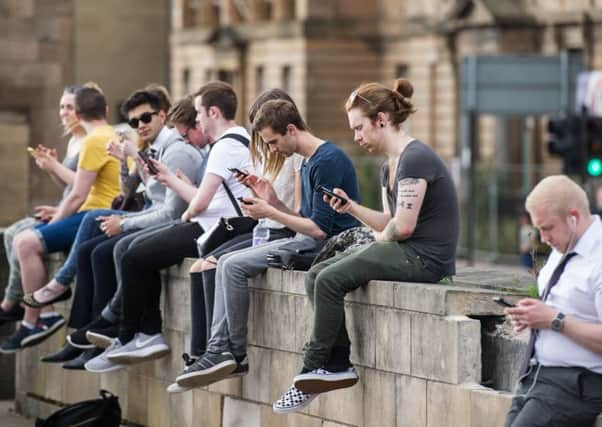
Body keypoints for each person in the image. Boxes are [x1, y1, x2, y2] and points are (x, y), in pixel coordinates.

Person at [272, 79, 460, 414]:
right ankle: (338, 362)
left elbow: (402, 227)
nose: (357, 137)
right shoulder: (391, 164)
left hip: (426, 259)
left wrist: (374, 240)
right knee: (315, 275)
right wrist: (352, 208)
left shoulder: (415, 158)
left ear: (382, 120)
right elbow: (390, 218)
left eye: (359, 128)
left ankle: (312, 366)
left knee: (330, 279)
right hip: (406, 251)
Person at [171, 97, 361, 391]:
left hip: (328, 246)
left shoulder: (327, 160)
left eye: (273, 142)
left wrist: (270, 211)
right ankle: (223, 350)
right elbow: (303, 219)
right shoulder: (313, 161)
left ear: (291, 130)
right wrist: (272, 201)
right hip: (308, 240)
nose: (272, 150)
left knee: (232, 265)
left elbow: (320, 231)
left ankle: (229, 352)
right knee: (225, 264)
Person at [86, 81, 254, 371]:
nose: (197, 119)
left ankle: (136, 334)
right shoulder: (230, 143)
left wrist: (185, 212)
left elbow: (198, 204)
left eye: (199, 113)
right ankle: (138, 334)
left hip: (215, 228)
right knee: (134, 251)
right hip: (213, 223)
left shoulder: (225, 147)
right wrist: (172, 181)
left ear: (213, 112)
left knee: (135, 254)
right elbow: (204, 196)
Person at [37, 91, 204, 368]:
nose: (140, 125)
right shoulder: (154, 146)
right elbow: (135, 190)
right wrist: (127, 160)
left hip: (184, 224)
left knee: (121, 248)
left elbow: (170, 211)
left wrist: (125, 223)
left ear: (163, 115)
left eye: (146, 118)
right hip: (163, 217)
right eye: (135, 121)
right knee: (96, 250)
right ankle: (92, 333)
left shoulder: (177, 150)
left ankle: (117, 328)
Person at [166, 88, 303, 393]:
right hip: (262, 229)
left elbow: (296, 214)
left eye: (267, 134)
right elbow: (266, 211)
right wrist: (255, 196)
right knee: (201, 265)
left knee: (221, 263)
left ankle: (223, 351)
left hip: (281, 234)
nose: (265, 142)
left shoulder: (295, 158)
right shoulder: (270, 157)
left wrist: (266, 204)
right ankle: (202, 354)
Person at [0, 86, 121, 352]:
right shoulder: (107, 135)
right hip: (93, 211)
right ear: (107, 111)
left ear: (78, 114)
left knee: (25, 242)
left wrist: (52, 226)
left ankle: (37, 319)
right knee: (21, 237)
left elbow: (78, 194)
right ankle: (37, 315)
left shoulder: (93, 140)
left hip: (94, 215)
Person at [504, 175, 602, 427]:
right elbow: (557, 311)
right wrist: (531, 317)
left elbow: (557, 318)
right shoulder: (562, 249)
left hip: (578, 383)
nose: (543, 237)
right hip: (536, 376)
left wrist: (553, 320)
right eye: (538, 229)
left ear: (574, 217)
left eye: (547, 228)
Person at [0, 85, 85, 325]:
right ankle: (16, 301)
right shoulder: (74, 141)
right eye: (61, 107)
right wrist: (52, 168)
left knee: (22, 237)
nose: (64, 113)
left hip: (78, 212)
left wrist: (54, 167)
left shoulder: (89, 140)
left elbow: (84, 188)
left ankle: (17, 304)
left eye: (69, 107)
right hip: (66, 207)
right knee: (11, 234)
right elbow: (68, 187)